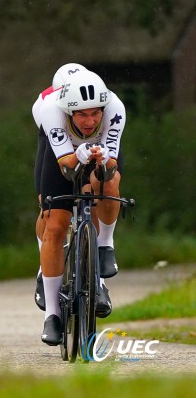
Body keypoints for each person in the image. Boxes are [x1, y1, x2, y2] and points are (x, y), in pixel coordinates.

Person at [34, 70, 126, 345]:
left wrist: (104, 157)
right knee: (55, 223)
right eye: (81, 114)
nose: (90, 121)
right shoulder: (49, 109)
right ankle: (53, 316)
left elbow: (111, 167)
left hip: (99, 151)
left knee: (108, 184)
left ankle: (104, 246)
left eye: (95, 113)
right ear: (68, 111)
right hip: (60, 154)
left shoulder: (115, 108)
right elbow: (65, 166)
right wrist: (79, 154)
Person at [30, 63, 88, 310]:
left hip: (88, 142)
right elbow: (51, 146)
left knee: (95, 194)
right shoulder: (45, 104)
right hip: (56, 143)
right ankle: (46, 266)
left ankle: (95, 261)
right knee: (48, 203)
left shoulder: (93, 97)